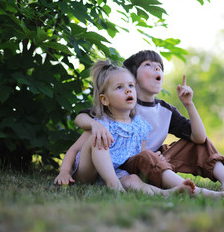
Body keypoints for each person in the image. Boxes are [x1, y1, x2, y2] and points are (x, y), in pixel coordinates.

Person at [73, 50, 224, 194]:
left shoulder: (165, 110)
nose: (157, 68)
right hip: (131, 163)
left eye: (159, 66)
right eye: (148, 65)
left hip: (158, 161)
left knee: (199, 142)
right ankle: (188, 189)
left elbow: (199, 138)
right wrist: (94, 124)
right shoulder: (121, 105)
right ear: (131, 76)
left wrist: (189, 104)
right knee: (147, 156)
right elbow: (83, 117)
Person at [54, 59, 195, 196]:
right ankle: (114, 186)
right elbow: (73, 150)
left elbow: (138, 158)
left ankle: (165, 193)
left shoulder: (141, 127)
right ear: (105, 99)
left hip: (117, 173)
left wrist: (153, 157)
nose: (128, 90)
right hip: (87, 173)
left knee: (132, 179)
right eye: (119, 87)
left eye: (130, 86)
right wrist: (64, 172)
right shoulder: (101, 124)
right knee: (97, 139)